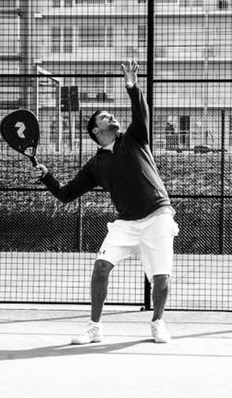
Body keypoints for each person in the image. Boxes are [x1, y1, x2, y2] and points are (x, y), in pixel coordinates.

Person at [33, 60, 179, 344]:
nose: (111, 117)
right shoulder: (94, 165)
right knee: (101, 267)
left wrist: (132, 85)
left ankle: (158, 323)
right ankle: (94, 327)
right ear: (96, 132)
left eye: (111, 115)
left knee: (161, 278)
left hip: (158, 215)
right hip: (125, 224)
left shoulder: (135, 139)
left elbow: (141, 112)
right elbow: (65, 194)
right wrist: (47, 176)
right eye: (105, 117)